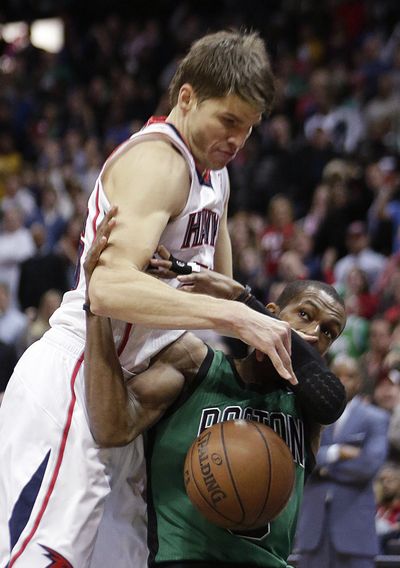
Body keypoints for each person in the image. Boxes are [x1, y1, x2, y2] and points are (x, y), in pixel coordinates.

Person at [0, 30, 302, 568]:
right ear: (186, 97)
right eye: (228, 121)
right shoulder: (159, 162)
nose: (237, 141)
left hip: (128, 399)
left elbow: (217, 289)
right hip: (74, 376)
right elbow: (108, 288)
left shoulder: (217, 176)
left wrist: (247, 312)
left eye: (249, 128)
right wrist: (231, 312)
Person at [83, 215, 347, 568]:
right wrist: (96, 305)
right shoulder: (194, 362)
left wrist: (240, 297)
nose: (315, 334)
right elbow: (111, 426)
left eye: (330, 332)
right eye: (304, 314)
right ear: (273, 313)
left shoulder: (311, 407)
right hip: (184, 559)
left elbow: (329, 397)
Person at [295, 354, 390, 568]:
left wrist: (322, 470)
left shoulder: (376, 418)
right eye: (337, 375)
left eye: (350, 376)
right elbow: (300, 458)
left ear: (359, 380)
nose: (343, 380)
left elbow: (367, 466)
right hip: (313, 531)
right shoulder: (309, 415)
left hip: (354, 531)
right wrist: (336, 453)